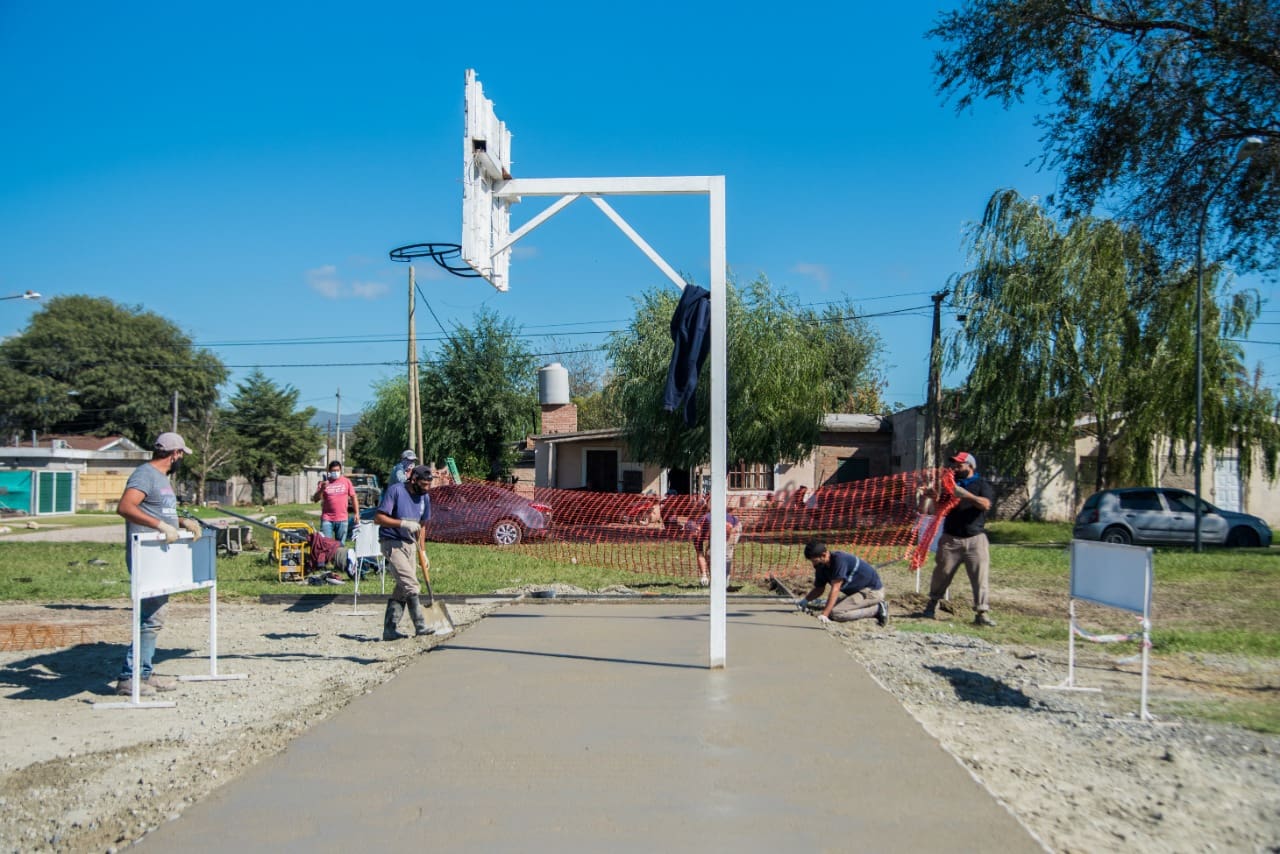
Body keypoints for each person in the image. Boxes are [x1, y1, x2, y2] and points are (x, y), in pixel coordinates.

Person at [112, 432, 204, 695]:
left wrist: (180, 522)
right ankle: (130, 678)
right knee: (150, 617)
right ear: (174, 454)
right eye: (181, 455)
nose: (182, 459)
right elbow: (126, 506)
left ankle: (144, 673)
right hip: (146, 556)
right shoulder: (145, 474)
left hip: (161, 558)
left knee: (155, 617)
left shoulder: (162, 480)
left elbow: (159, 510)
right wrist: (160, 525)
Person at [921, 452, 997, 627]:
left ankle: (981, 613)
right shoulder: (948, 484)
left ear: (970, 466)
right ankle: (931, 606)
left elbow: (985, 504)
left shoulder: (981, 484)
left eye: (959, 465)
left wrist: (964, 494)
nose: (955, 468)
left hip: (975, 539)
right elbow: (938, 510)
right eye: (954, 465)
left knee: (980, 577)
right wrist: (933, 497)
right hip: (950, 539)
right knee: (942, 574)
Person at [373, 464, 435, 640]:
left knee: (402, 587)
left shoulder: (425, 498)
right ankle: (420, 625)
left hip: (410, 544)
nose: (426, 489)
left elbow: (422, 526)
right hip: (391, 542)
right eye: (423, 485)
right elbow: (378, 518)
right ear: (413, 480)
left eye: (429, 485)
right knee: (411, 584)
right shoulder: (396, 491)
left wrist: (422, 551)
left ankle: (389, 629)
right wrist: (402, 523)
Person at [795, 540, 888, 626]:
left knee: (836, 613)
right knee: (828, 606)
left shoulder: (839, 560)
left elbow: (835, 589)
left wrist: (825, 614)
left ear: (824, 555)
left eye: (814, 561)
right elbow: (819, 588)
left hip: (872, 591)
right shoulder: (821, 567)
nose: (813, 564)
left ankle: (877, 609)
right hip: (857, 592)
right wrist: (805, 601)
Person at [311, 460, 358, 544]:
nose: (335, 472)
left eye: (337, 470)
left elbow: (353, 497)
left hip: (342, 519)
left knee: (340, 545)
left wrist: (357, 513)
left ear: (340, 470)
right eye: (333, 471)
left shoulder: (346, 482)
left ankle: (337, 557)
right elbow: (315, 499)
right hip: (327, 519)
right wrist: (322, 489)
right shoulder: (324, 483)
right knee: (326, 544)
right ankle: (328, 557)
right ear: (329, 471)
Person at [695, 511, 742, 586]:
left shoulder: (709, 520)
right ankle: (714, 579)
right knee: (709, 553)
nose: (696, 535)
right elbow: (700, 554)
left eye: (697, 532)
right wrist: (704, 575)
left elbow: (729, 528)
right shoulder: (696, 537)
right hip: (716, 530)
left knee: (726, 552)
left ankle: (725, 580)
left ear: (698, 527)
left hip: (733, 527)